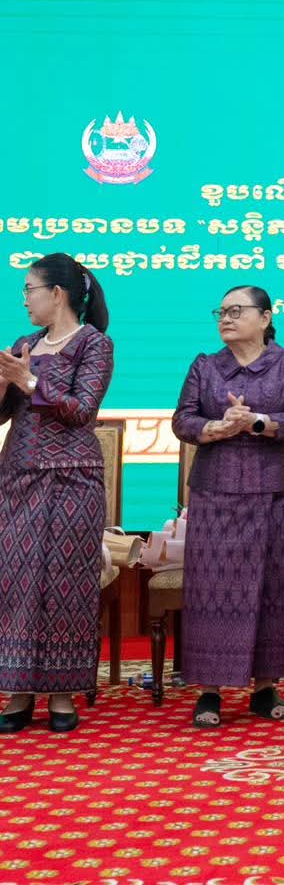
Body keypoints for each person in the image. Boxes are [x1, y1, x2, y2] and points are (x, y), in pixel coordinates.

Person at [171, 286, 284, 728]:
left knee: (272, 586)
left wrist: (257, 422)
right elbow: (182, 419)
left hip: (274, 491)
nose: (226, 318)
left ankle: (265, 687)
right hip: (215, 490)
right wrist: (213, 428)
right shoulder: (205, 365)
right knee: (211, 590)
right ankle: (210, 690)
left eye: (237, 311)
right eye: (222, 311)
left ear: (265, 317)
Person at [0, 254, 113, 734]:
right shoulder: (23, 345)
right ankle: (18, 692)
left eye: (29, 289)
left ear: (57, 293)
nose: (24, 299)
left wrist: (28, 380)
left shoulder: (94, 344)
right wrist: (4, 382)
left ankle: (62, 693)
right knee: (15, 580)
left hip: (73, 480)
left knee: (67, 583)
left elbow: (82, 411)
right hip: (17, 476)